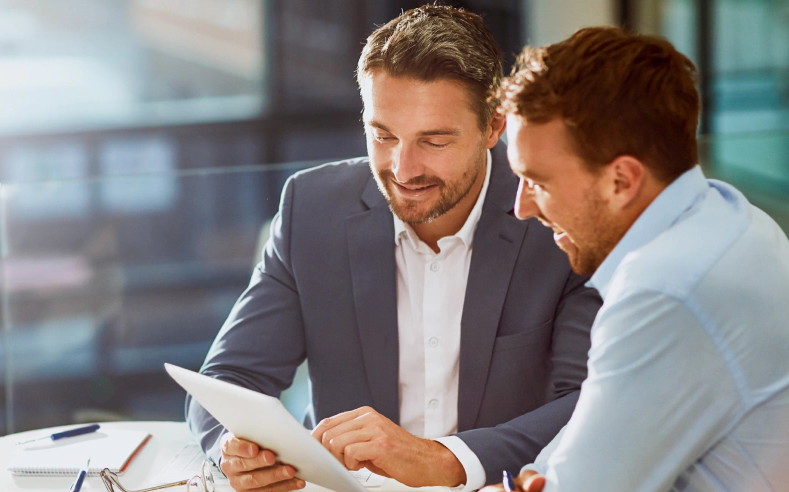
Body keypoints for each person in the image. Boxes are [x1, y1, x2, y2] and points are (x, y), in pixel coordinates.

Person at [187, 6, 602, 492]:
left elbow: (591, 402)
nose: (403, 170)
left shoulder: (556, 219)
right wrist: (233, 451)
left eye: (434, 141)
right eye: (382, 136)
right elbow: (229, 378)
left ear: (494, 127)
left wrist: (447, 460)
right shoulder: (311, 208)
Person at [481, 27, 789, 491]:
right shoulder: (732, 216)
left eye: (538, 182)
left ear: (622, 180)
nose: (522, 207)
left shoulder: (666, 291)